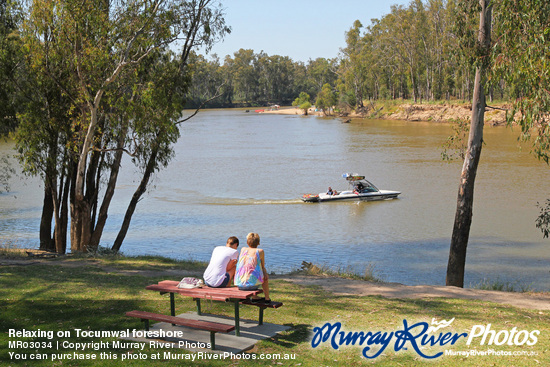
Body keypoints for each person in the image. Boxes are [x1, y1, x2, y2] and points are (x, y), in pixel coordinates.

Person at [235, 232, 271, 304]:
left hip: (239, 284)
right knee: (264, 275)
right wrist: (265, 273)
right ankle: (267, 298)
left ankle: (255, 298)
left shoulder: (243, 249)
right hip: (251, 286)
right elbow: (263, 266)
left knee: (249, 271)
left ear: (247, 242)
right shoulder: (260, 251)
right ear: (258, 243)